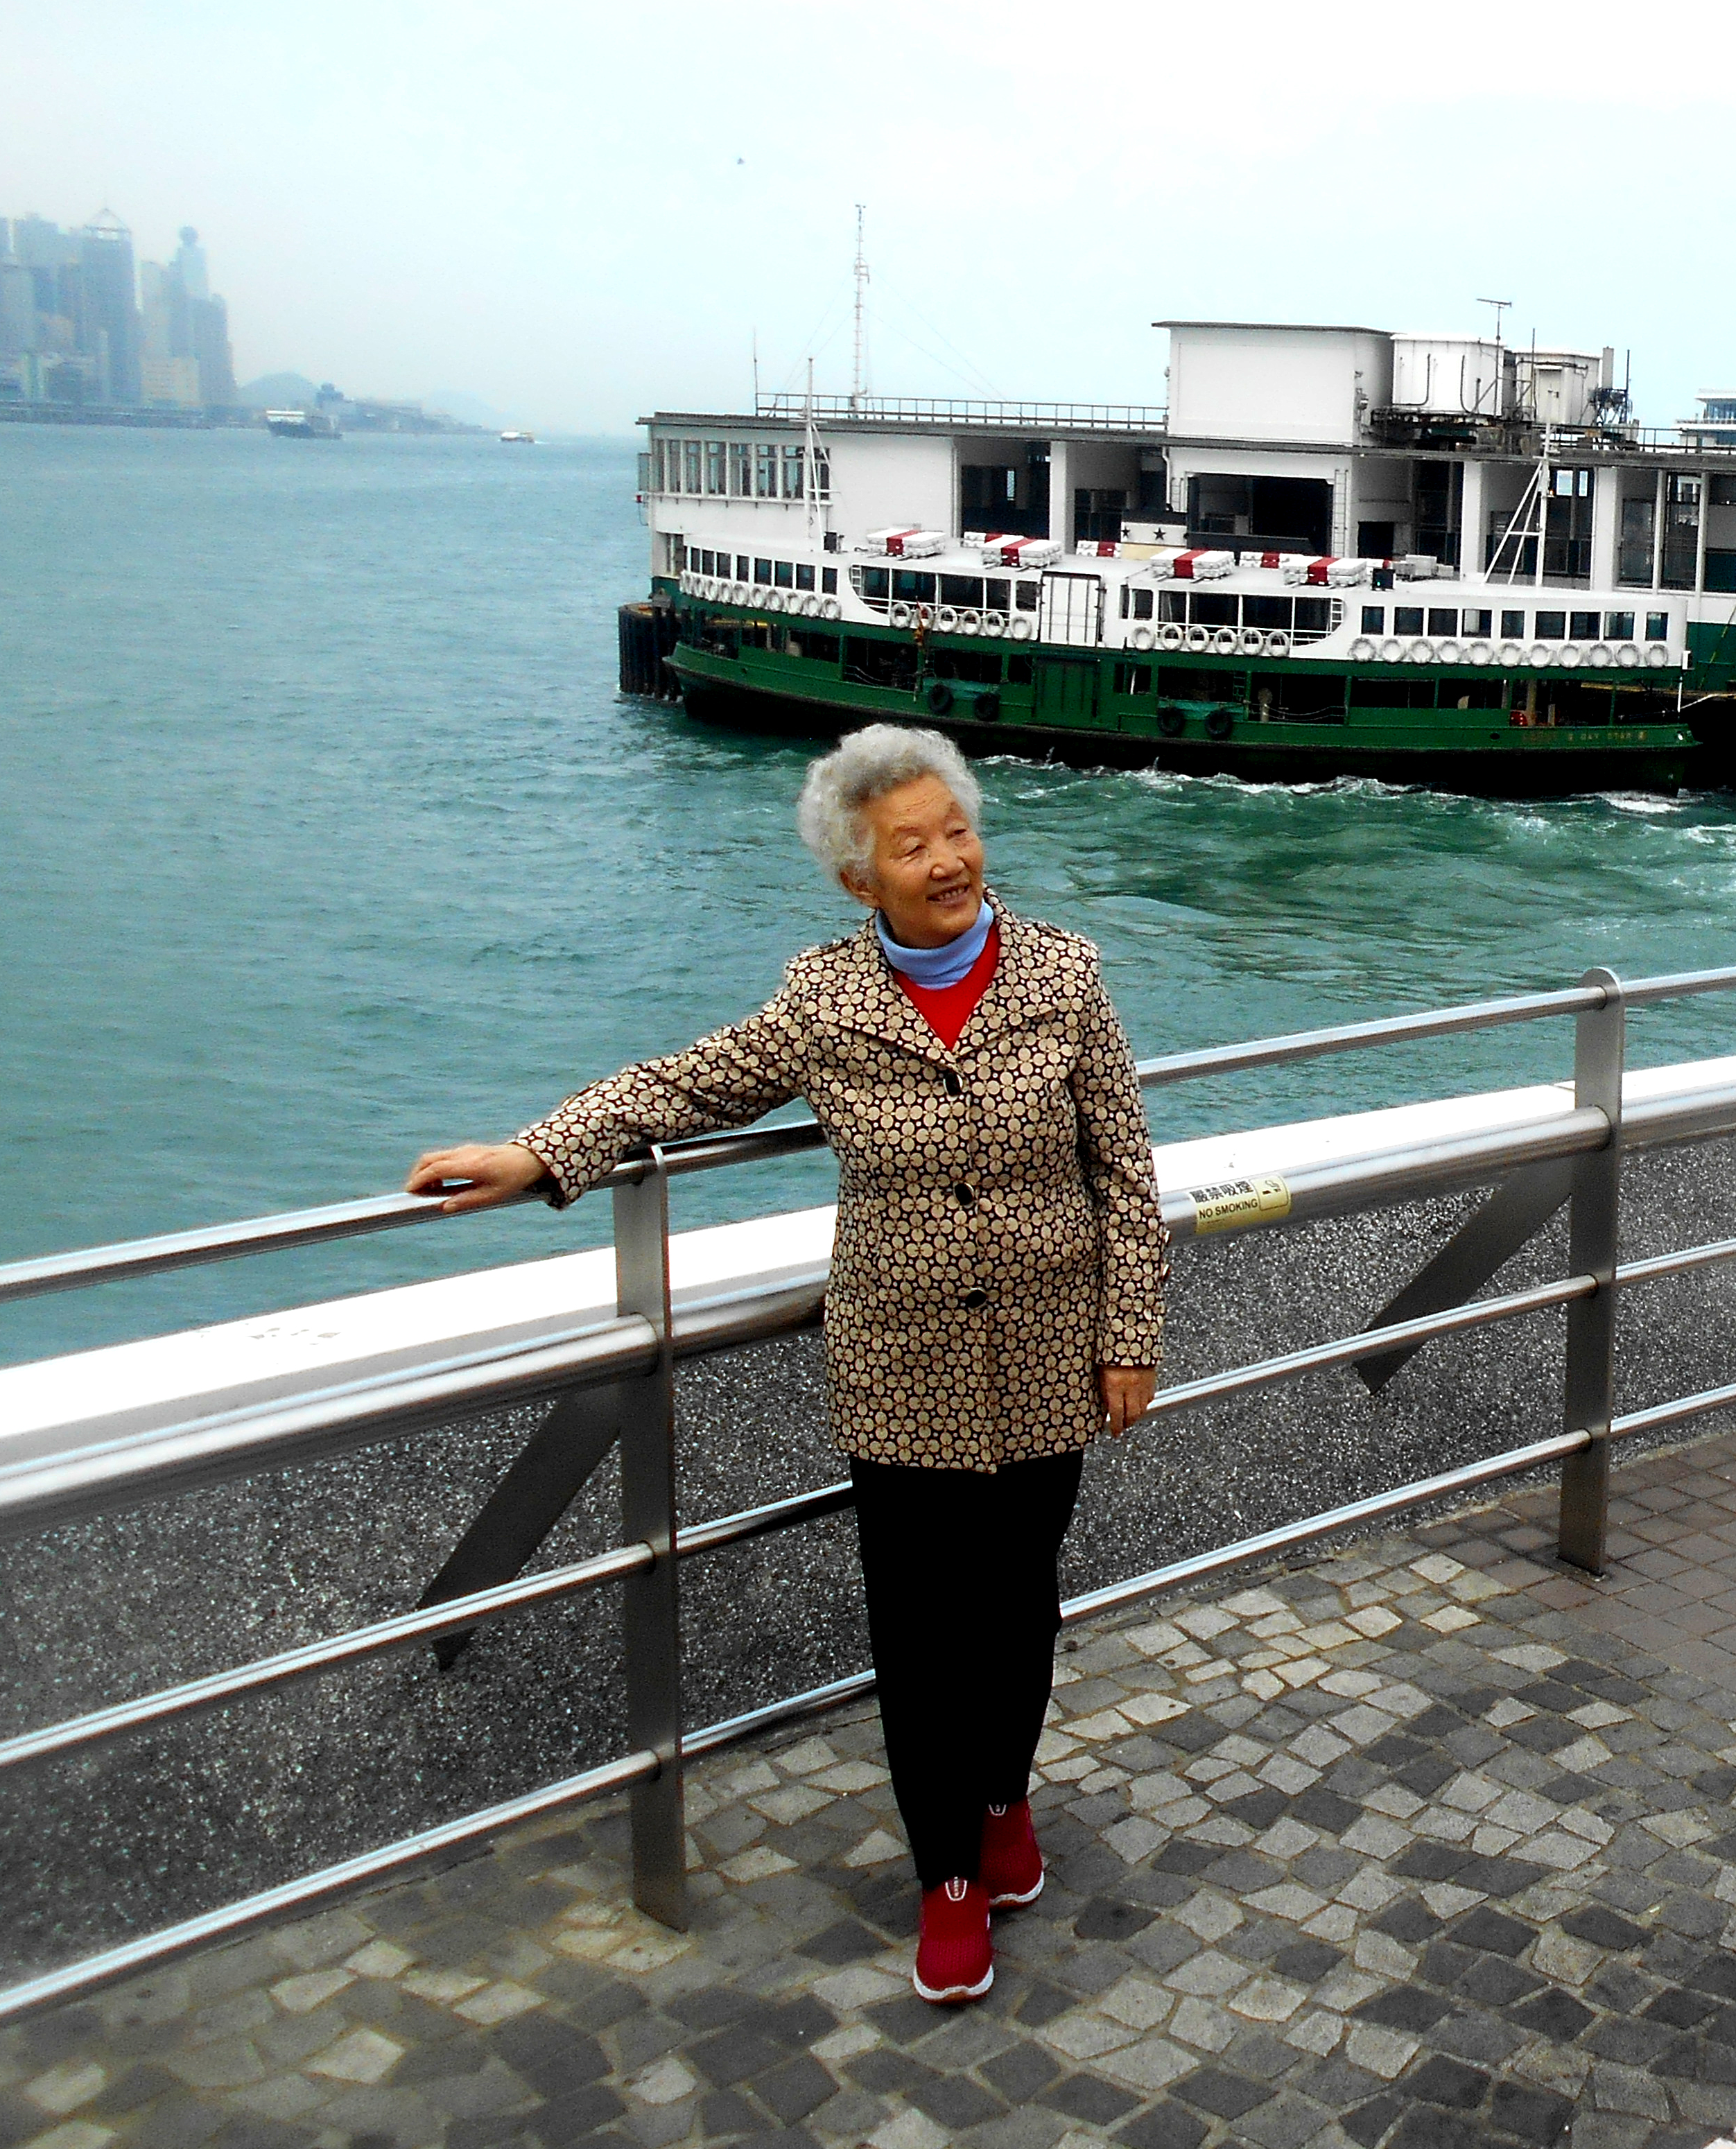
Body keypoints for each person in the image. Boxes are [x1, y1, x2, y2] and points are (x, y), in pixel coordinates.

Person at [406, 725, 1167, 2007]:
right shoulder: (823, 1004)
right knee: (923, 1634)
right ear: (856, 881)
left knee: (1020, 1605)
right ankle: (949, 1878)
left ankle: (1001, 1794)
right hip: (901, 1363)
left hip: (1049, 1346)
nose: (947, 859)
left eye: (957, 830)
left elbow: (1127, 1173)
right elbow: (685, 1082)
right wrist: (543, 1152)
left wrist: (1128, 1332)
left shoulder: (1066, 973)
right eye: (910, 845)